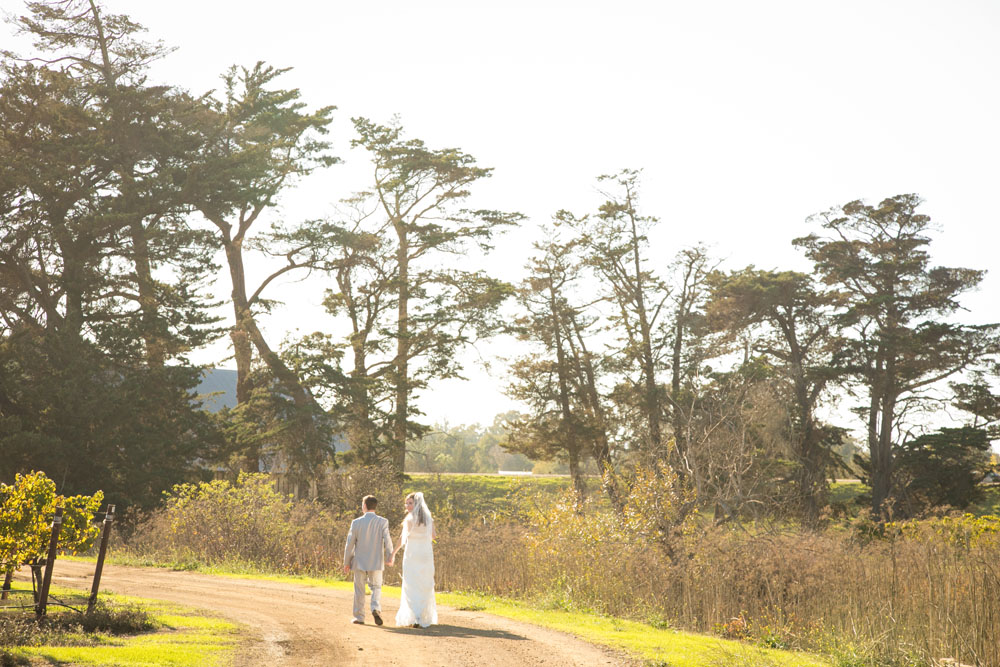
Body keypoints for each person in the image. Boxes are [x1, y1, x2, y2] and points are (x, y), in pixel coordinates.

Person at [342, 495, 393, 625]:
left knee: (359, 589)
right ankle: (375, 608)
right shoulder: (383, 521)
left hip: (359, 561)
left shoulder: (356, 522)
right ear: (375, 507)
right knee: (376, 587)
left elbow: (350, 544)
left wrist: (347, 562)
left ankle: (359, 617)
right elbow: (388, 540)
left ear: (364, 506)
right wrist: (390, 555)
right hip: (376, 560)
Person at [390, 491, 438, 628]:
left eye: (410, 503)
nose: (407, 505)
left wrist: (393, 553)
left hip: (412, 555)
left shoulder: (409, 519)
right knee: (424, 583)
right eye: (406, 503)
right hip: (425, 554)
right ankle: (421, 615)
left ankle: (416, 615)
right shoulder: (428, 519)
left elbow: (402, 539)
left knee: (411, 584)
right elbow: (434, 536)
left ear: (416, 504)